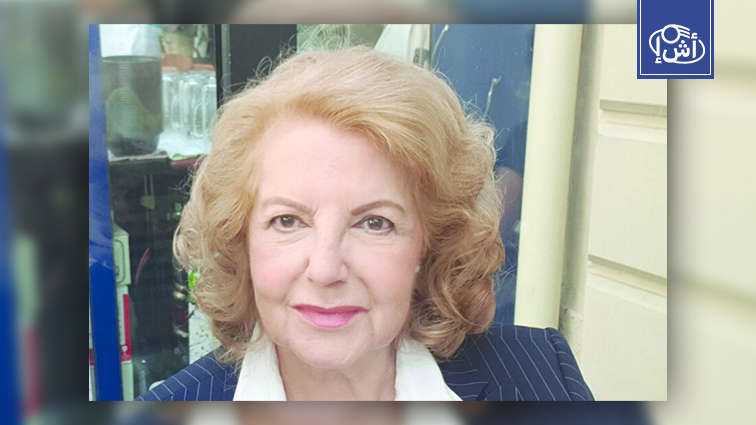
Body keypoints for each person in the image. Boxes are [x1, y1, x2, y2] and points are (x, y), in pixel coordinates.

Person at [135, 47, 592, 401]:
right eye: (287, 220)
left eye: (375, 223)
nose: (325, 269)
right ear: (242, 241)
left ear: (430, 244)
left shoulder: (543, 378)